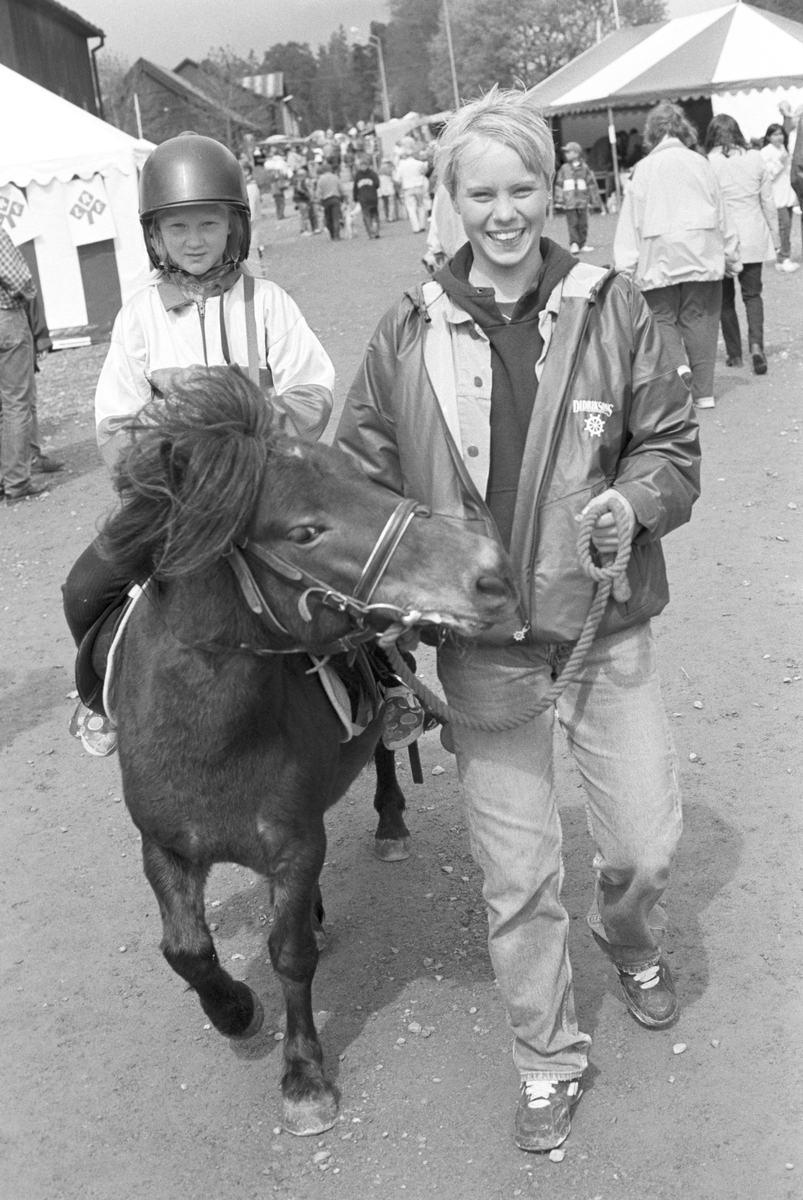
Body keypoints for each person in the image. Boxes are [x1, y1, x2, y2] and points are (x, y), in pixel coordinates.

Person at [337, 87, 700, 1155]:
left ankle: (626, 938)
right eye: (480, 191)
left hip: (605, 623)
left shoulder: (612, 304)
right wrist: (396, 598)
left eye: (523, 187)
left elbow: (668, 447)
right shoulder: (405, 330)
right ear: (446, 198)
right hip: (483, 650)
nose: (503, 211)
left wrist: (627, 504)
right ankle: (545, 1055)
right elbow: (364, 477)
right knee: (516, 872)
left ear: (553, 188)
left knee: (638, 844)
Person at [63, 132, 335, 755]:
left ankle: (384, 689)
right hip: (176, 502)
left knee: (353, 571)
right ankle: (96, 697)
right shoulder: (139, 319)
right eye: (177, 226)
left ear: (234, 227)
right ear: (154, 236)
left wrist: (257, 427)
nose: (193, 239)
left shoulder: (269, 305)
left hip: (268, 490)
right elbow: (114, 420)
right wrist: (160, 469)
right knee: (82, 588)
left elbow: (314, 387)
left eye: (207, 223)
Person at [614, 101, 740, 410]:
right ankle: (705, 392)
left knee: (661, 318)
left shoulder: (643, 169)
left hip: (657, 253)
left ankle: (678, 367)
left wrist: (625, 266)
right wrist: (732, 254)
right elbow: (721, 210)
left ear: (650, 134)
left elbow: (632, 220)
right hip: (702, 250)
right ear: (684, 130)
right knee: (701, 320)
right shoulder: (700, 162)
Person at [705, 114, 780, 376]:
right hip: (753, 234)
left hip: (722, 239)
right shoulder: (756, 157)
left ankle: (734, 354)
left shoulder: (709, 163)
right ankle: (757, 345)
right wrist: (777, 236)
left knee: (725, 299)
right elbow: (768, 201)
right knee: (753, 295)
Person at [0, 227, 50, 502]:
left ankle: (4, 479)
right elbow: (18, 278)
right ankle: (17, 482)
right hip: (5, 318)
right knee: (16, 403)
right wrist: (27, 292)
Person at [760, 123, 800, 273]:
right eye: (775, 135)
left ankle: (783, 255)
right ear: (769, 137)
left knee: (787, 227)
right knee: (784, 226)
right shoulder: (765, 152)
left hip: (788, 195)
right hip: (776, 197)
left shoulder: (784, 149)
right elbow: (767, 175)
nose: (779, 137)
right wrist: (780, 162)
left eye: (780, 134)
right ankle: (784, 257)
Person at [553, 141, 602, 253]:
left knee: (583, 223)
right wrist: (559, 200)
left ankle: (582, 243)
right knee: (572, 223)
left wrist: (594, 200)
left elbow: (591, 185)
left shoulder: (585, 168)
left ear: (576, 153)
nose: (566, 155)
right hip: (570, 202)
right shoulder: (564, 169)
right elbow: (559, 185)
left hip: (582, 201)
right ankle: (574, 243)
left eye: (568, 152)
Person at [394, 148, 429, 233]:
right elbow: (425, 172)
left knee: (411, 209)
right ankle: (422, 225)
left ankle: (415, 227)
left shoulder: (401, 166)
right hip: (419, 186)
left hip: (407, 188)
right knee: (421, 206)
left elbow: (396, 179)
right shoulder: (419, 163)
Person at [352, 156, 381, 239]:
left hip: (363, 198)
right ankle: (376, 230)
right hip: (372, 197)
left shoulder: (358, 175)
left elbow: (355, 188)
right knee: (374, 214)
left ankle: (370, 233)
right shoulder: (372, 174)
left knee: (366, 216)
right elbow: (377, 184)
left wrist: (355, 198)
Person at [315, 162, 345, 240]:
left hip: (326, 201)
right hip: (335, 199)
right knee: (336, 218)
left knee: (328, 218)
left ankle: (331, 234)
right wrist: (344, 196)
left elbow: (318, 192)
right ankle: (336, 235)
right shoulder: (335, 177)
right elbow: (341, 188)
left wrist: (318, 201)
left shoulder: (321, 179)